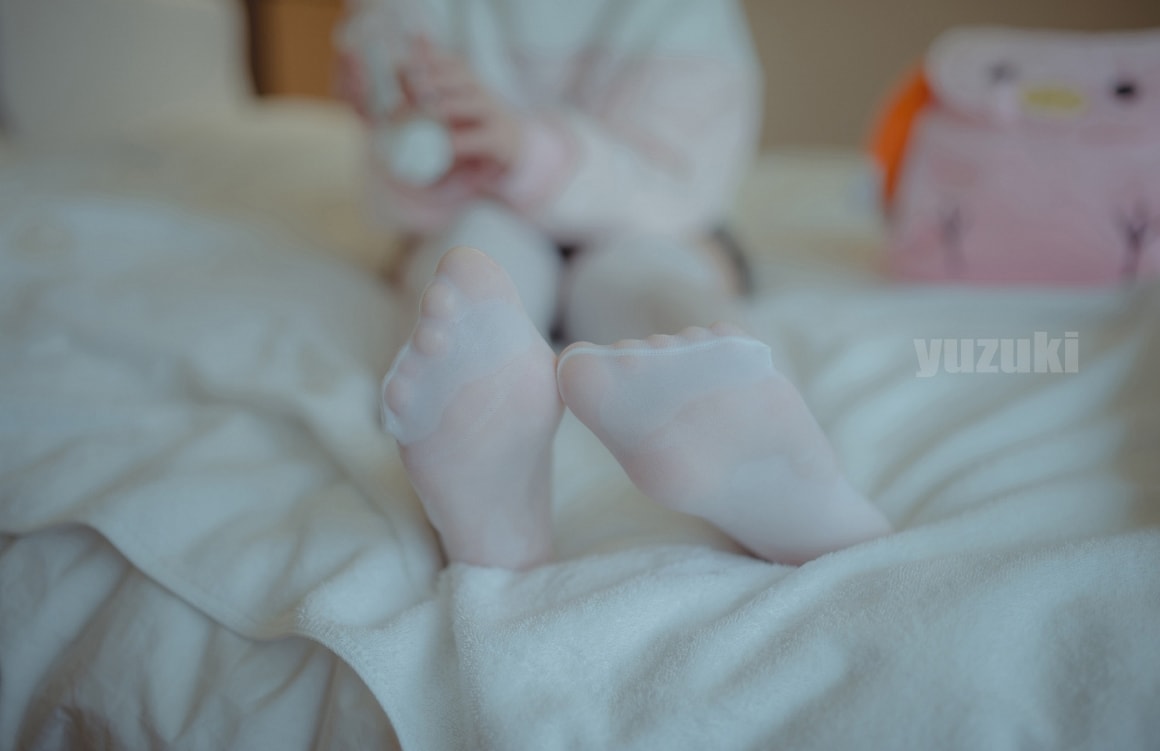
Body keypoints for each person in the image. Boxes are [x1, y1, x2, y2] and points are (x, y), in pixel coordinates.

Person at [346, 0, 893, 568]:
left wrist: (527, 151)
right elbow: (400, 182)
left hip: (644, 212)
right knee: (477, 262)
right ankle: (490, 488)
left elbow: (682, 178)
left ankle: (753, 443)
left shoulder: (682, 19)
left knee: (641, 269)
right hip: (483, 208)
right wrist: (401, 126)